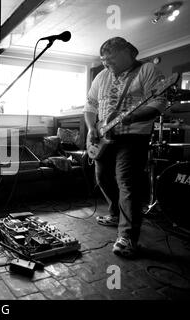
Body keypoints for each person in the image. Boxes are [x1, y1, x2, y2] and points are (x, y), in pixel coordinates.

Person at [84, 37, 167, 258]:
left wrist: (129, 118)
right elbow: (90, 104)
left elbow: (158, 103)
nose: (104, 64)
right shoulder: (102, 76)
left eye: (109, 59)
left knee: (127, 185)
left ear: (128, 53)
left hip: (132, 137)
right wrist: (92, 128)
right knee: (103, 179)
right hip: (102, 137)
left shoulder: (147, 70)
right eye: (103, 60)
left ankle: (128, 237)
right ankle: (114, 213)